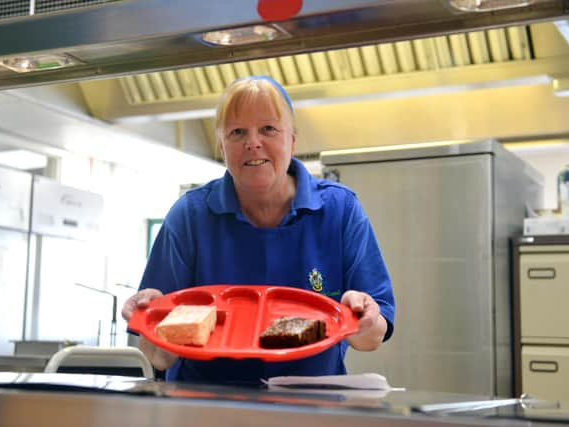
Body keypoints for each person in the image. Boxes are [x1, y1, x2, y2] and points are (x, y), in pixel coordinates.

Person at [121, 75, 395, 386]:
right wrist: (153, 321)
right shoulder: (189, 216)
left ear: (292, 139)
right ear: (222, 146)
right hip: (205, 407)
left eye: (268, 129)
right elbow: (158, 357)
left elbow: (371, 337)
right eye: (237, 132)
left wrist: (365, 318)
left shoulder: (340, 210)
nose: (253, 142)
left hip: (311, 408)